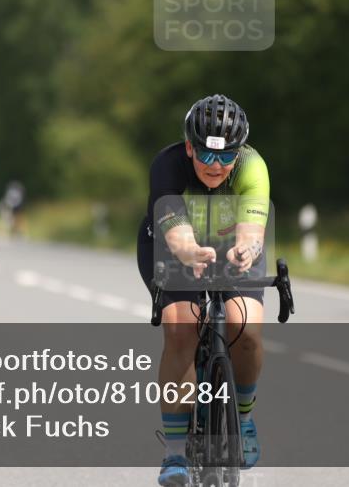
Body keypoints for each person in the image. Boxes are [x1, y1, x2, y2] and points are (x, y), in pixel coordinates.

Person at [137, 94, 270, 485]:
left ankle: (243, 419)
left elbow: (253, 226)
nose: (216, 166)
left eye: (226, 156)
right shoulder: (167, 165)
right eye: (207, 156)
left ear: (239, 151)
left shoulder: (252, 166)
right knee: (182, 329)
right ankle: (174, 451)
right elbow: (174, 228)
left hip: (233, 249)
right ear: (190, 147)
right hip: (173, 246)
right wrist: (190, 251)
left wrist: (247, 249)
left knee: (244, 327)